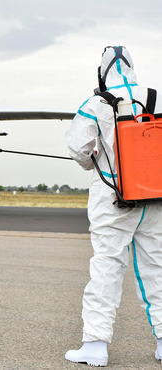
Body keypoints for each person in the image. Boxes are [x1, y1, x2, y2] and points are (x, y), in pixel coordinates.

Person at [65, 46, 162, 366]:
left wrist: (94, 162)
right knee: (157, 270)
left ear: (102, 72)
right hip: (155, 199)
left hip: (112, 199)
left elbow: (78, 148)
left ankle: (95, 345)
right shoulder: (155, 97)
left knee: (106, 268)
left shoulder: (95, 103)